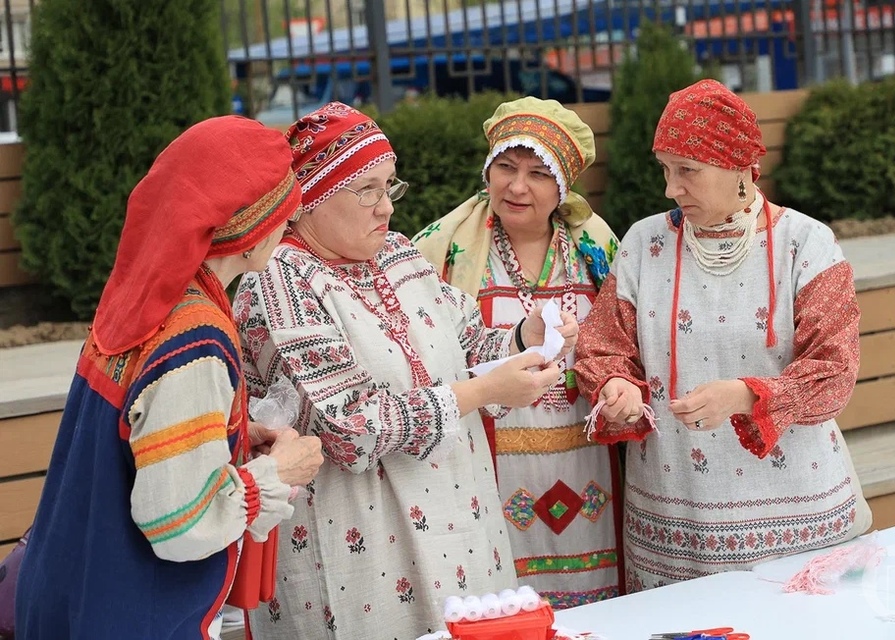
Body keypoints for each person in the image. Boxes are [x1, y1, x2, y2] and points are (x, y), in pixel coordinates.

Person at [233, 102, 579, 640]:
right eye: (366, 190)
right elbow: (351, 429)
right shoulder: (279, 279)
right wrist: (485, 389)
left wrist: (524, 338)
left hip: (460, 535)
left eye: (389, 187)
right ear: (311, 197)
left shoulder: (397, 255)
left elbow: (465, 338)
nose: (385, 209)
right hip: (362, 556)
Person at [14, 116, 326, 639]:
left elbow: (129, 434)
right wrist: (278, 473)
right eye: (284, 211)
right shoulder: (195, 340)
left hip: (70, 592)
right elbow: (179, 523)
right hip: (132, 616)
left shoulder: (141, 301)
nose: (288, 226)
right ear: (248, 232)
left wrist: (231, 436)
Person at [573, 79, 872, 592]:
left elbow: (834, 369)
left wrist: (744, 395)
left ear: (738, 165)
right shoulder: (644, 244)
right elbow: (605, 345)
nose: (671, 188)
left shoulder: (808, 244)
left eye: (687, 170)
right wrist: (614, 387)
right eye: (664, 170)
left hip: (801, 516)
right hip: (675, 521)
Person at [415, 97, 622, 609]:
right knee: (501, 603)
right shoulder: (440, 248)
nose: (516, 186)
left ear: (563, 186)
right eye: (505, 168)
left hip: (587, 458)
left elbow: (625, 338)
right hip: (488, 459)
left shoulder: (596, 246)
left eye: (536, 173)